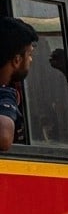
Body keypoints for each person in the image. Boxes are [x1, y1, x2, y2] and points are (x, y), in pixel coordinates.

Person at [0, 16, 37, 152]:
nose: (31, 60)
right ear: (17, 60)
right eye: (29, 55)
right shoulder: (5, 95)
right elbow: (3, 138)